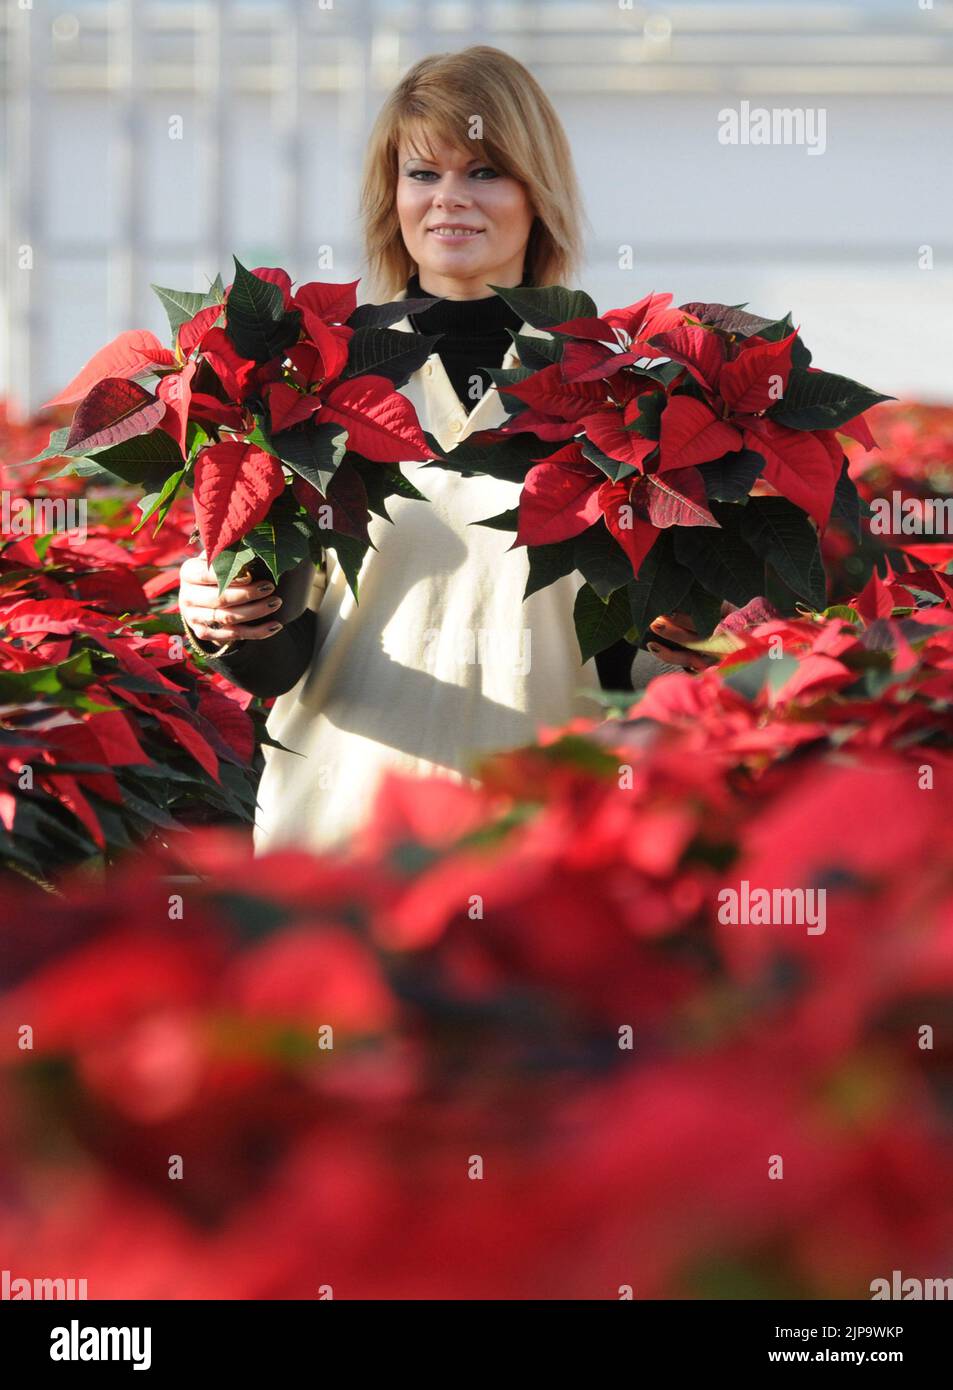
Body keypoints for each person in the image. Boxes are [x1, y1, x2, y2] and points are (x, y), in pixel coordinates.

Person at [178, 46, 713, 854]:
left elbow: (627, 672)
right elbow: (278, 663)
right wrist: (225, 615)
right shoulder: (315, 378)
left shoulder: (614, 395)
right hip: (342, 838)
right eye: (422, 174)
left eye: (484, 173)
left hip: (543, 848)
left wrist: (697, 627)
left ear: (538, 194)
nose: (449, 201)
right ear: (391, 195)